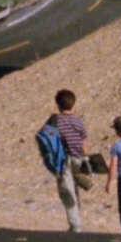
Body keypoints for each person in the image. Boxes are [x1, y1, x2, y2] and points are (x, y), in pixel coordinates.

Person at [48, 89, 89, 232]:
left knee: (66, 190)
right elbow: (84, 140)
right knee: (74, 188)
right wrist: (85, 158)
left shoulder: (56, 121)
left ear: (58, 105)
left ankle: (75, 224)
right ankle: (76, 218)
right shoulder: (78, 121)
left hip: (63, 159)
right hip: (78, 157)